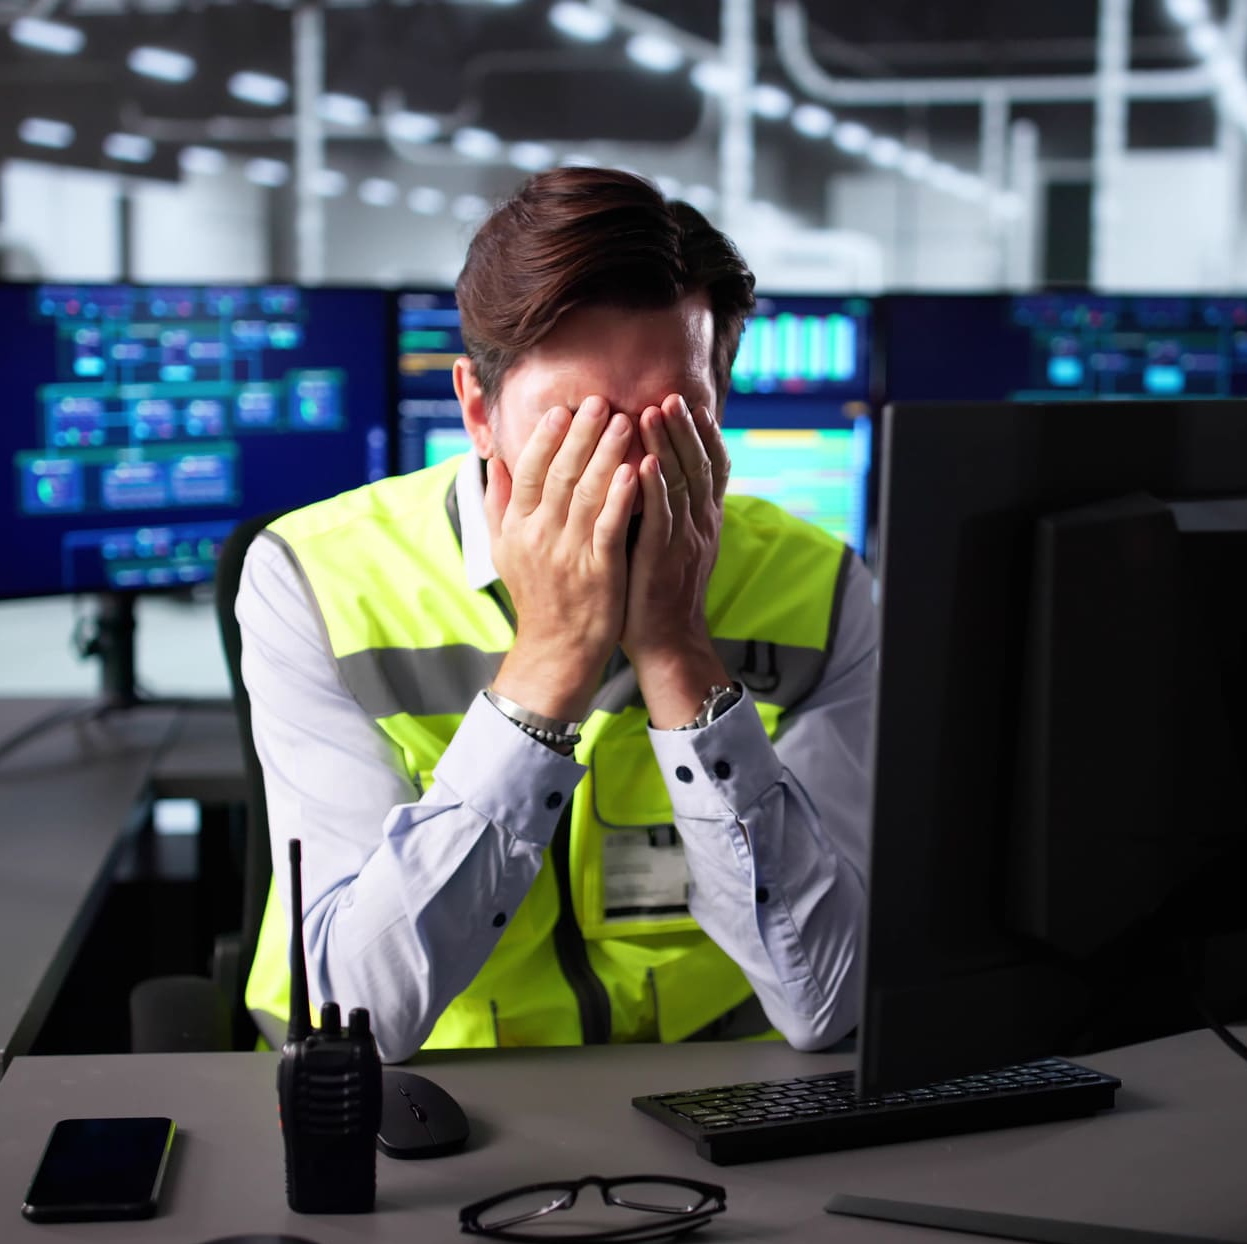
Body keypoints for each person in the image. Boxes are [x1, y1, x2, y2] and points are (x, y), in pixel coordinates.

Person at [236, 168, 875, 1060]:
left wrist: (679, 652)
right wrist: (549, 663)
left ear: (721, 416)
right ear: (477, 411)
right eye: (576, 429)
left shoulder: (824, 590)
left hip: (711, 1075)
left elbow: (828, 1001)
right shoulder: (316, 579)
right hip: (429, 1092)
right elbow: (359, 1017)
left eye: (671, 425)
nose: (622, 479)